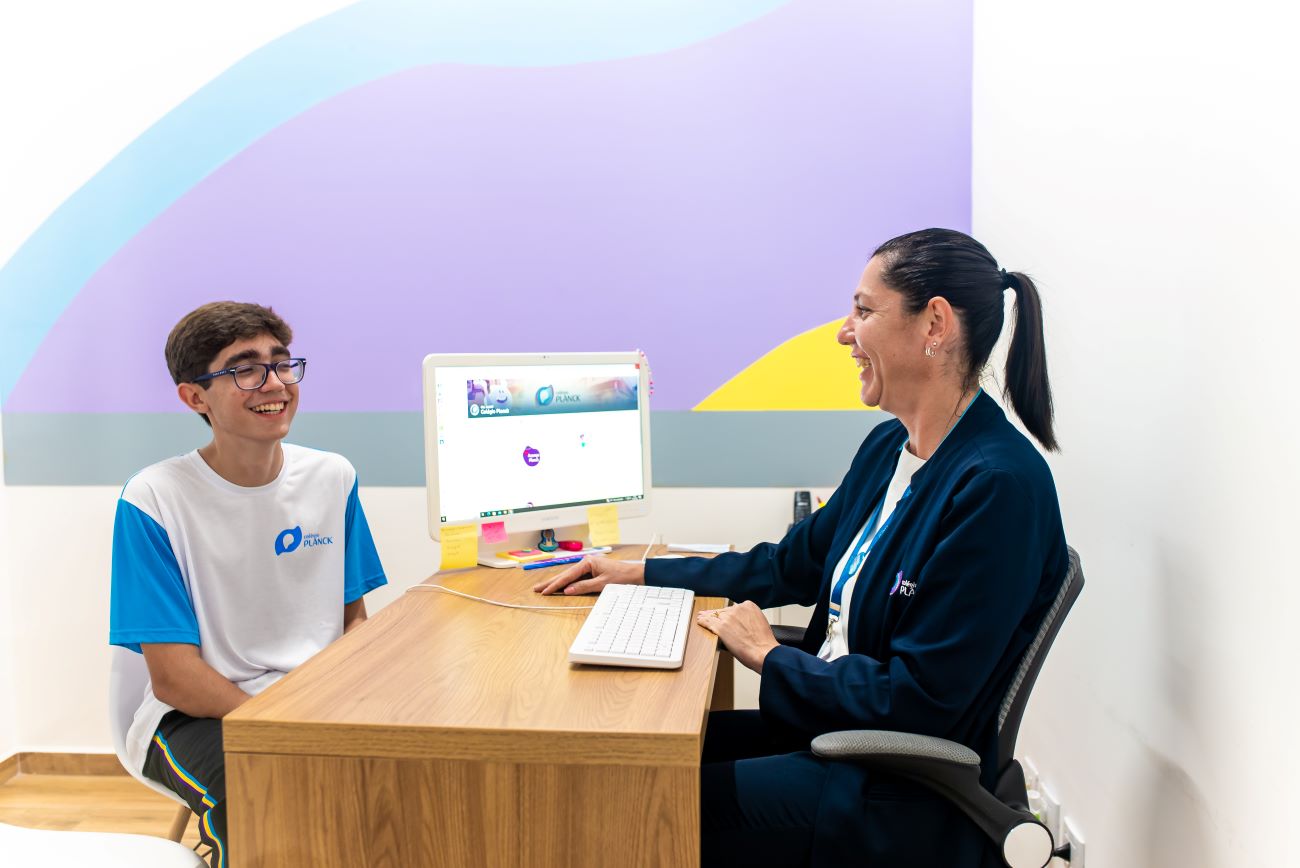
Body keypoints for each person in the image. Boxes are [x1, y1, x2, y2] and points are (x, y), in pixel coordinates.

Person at [536, 228, 1068, 867]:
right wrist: (643, 572)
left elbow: (920, 700)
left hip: (890, 784)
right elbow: (789, 565)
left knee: (635, 800)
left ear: (934, 324)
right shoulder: (889, 451)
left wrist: (767, 655)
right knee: (618, 760)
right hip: (835, 734)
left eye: (864, 311)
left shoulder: (997, 488)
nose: (846, 333)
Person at [108, 302, 388, 868]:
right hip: (194, 717)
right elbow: (175, 678)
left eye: (282, 364)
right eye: (245, 368)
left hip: (313, 700)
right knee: (259, 791)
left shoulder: (332, 476)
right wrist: (279, 731)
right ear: (195, 398)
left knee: (409, 774)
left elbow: (351, 619)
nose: (275, 384)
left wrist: (349, 704)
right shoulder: (154, 499)